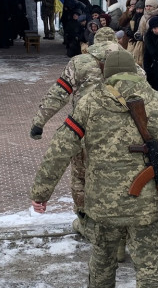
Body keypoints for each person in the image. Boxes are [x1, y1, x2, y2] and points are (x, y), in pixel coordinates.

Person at [30, 49, 158, 288]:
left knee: (102, 256)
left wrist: (41, 191)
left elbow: (61, 147)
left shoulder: (90, 102)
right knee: (148, 271)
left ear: (106, 74)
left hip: (102, 205)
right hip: (146, 207)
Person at [30, 26, 125, 214]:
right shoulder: (133, 67)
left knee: (81, 178)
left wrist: (39, 123)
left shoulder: (79, 63)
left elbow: (58, 94)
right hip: (119, 132)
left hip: (83, 130)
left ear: (94, 43)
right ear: (116, 43)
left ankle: (84, 215)